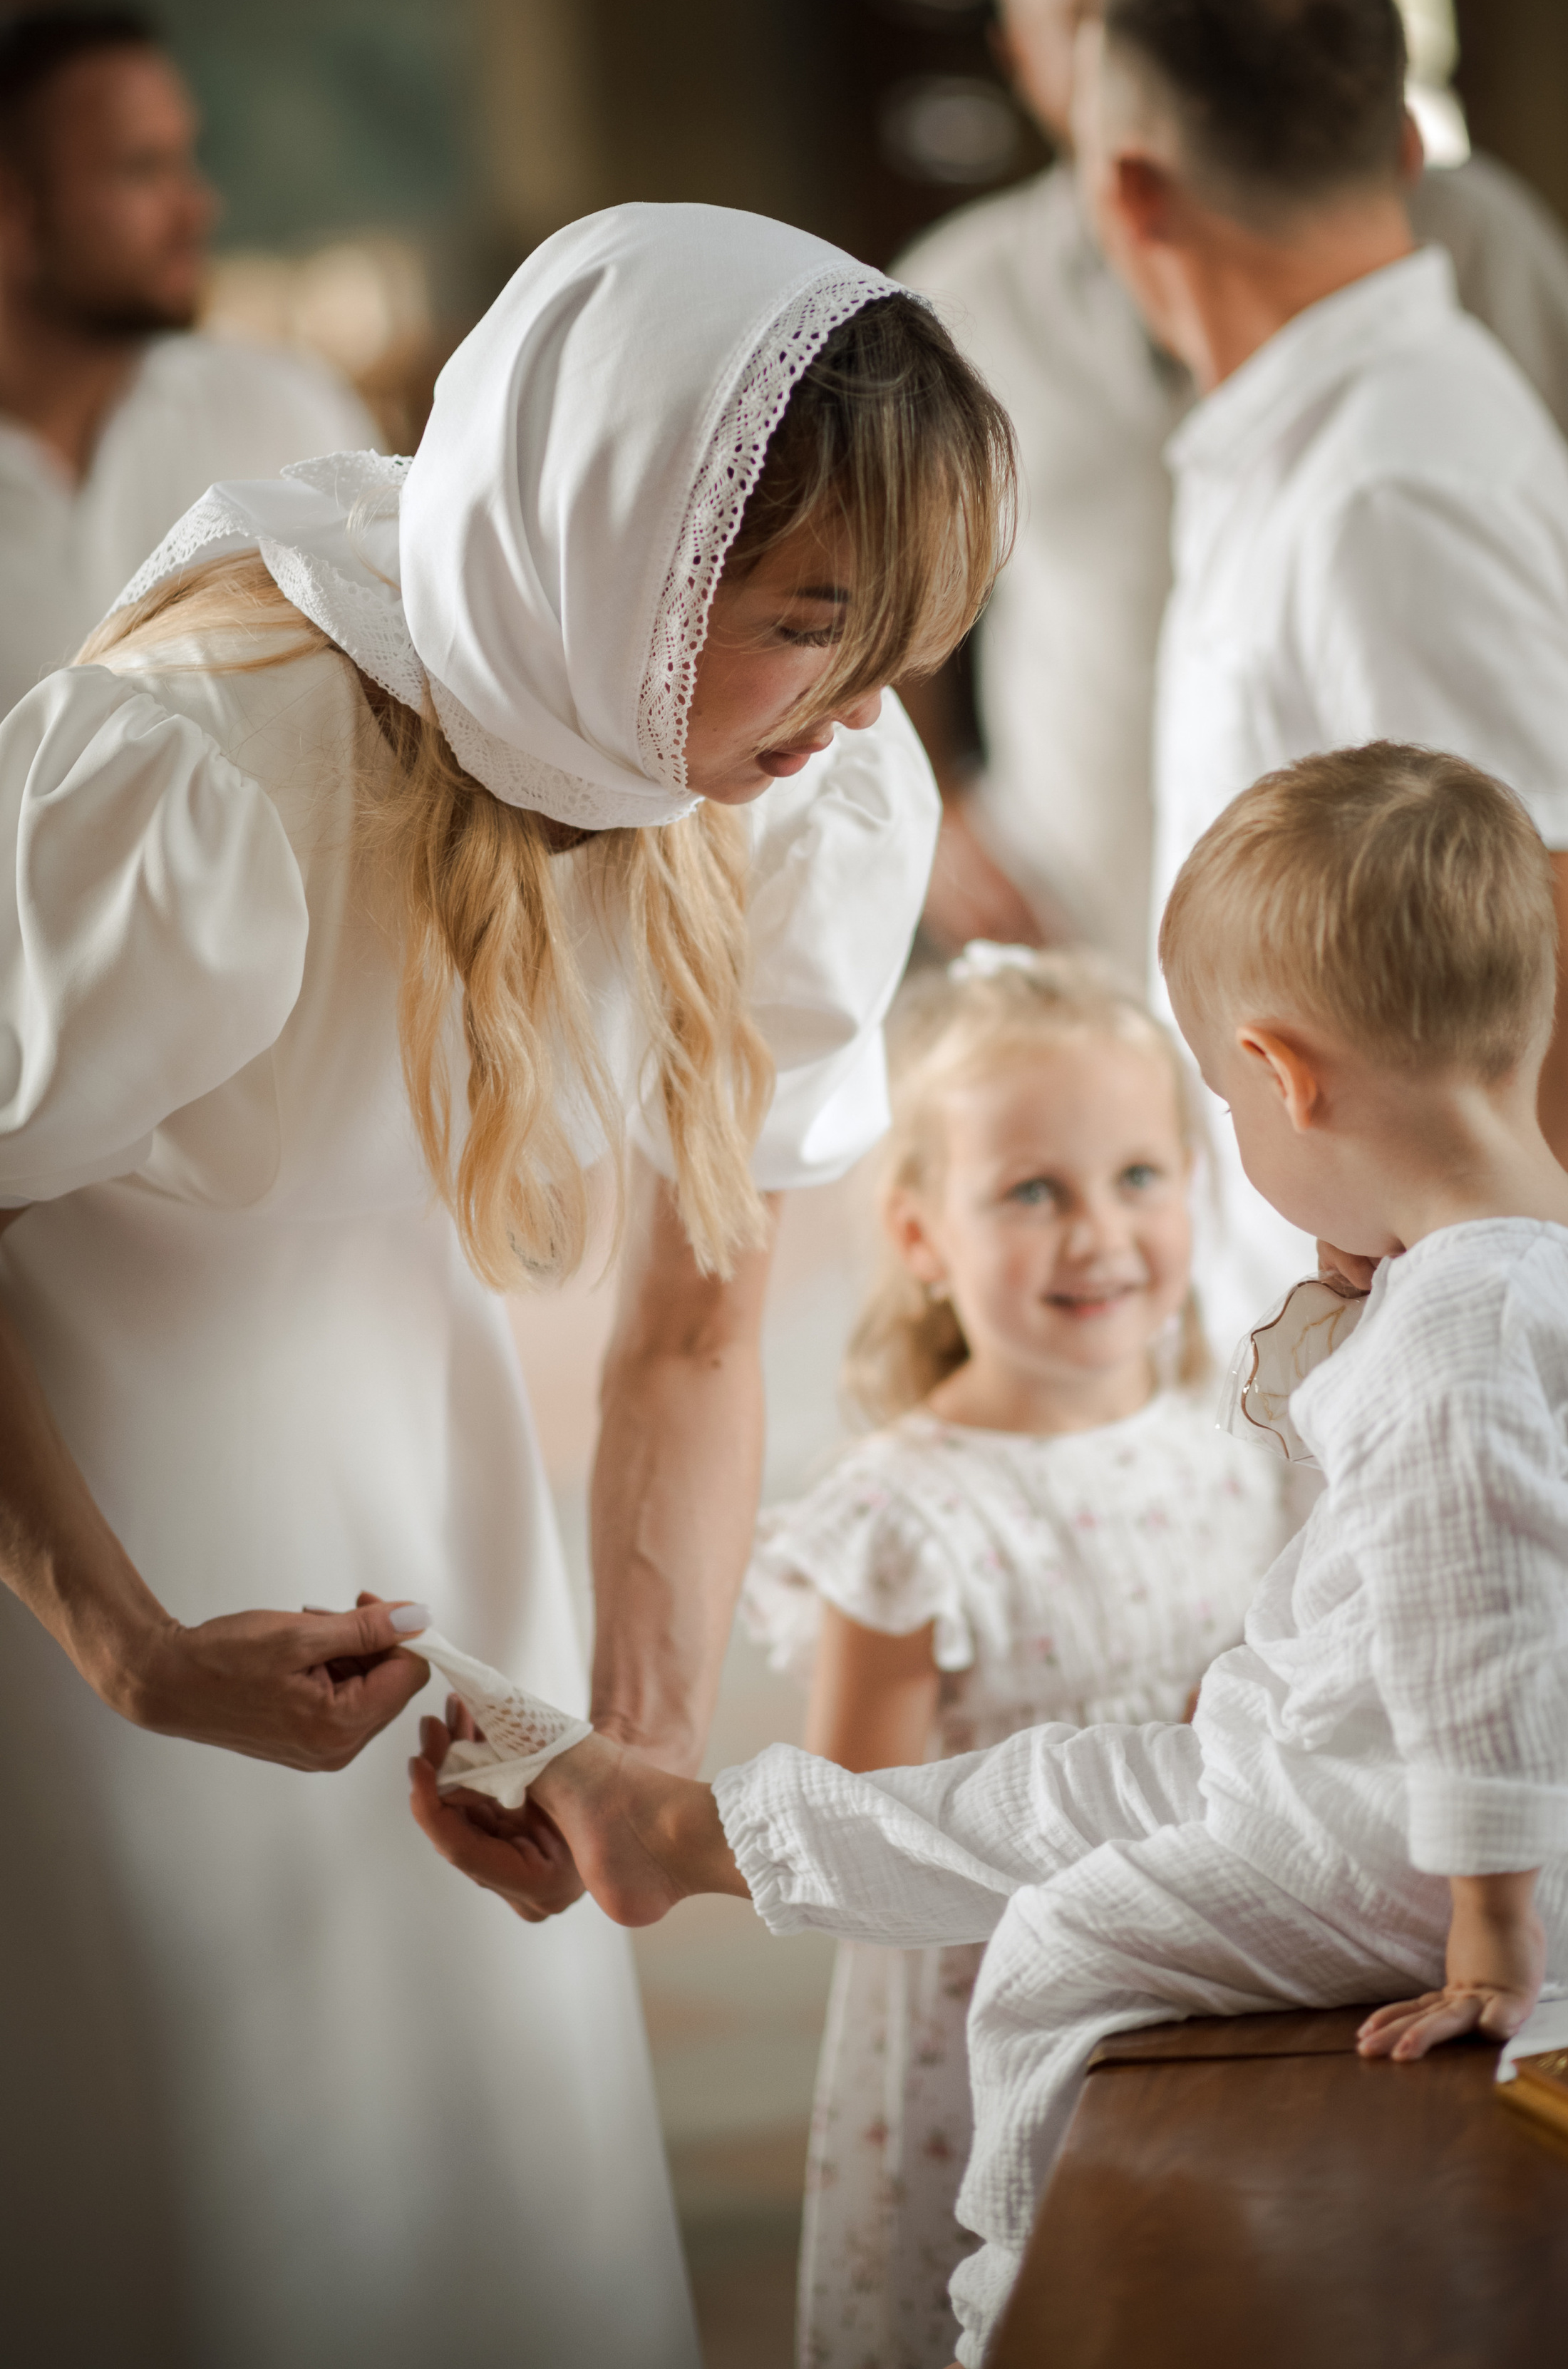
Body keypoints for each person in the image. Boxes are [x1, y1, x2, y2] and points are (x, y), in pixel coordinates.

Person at [0, 203, 1012, 2367]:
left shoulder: (788, 795)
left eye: (893, 639)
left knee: (484, 2155)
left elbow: (695, 1313)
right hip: (73, 1525)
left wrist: (629, 1746)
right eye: (804, 621)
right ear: (618, 553)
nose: (847, 712)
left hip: (422, 1488)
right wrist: (132, 1648)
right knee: (206, 2175)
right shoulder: (206, 770)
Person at [423, 744, 1568, 2369]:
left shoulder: (1450, 1329)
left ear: (1280, 1075)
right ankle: (687, 1828)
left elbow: (1484, 1624)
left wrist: (1489, 1921)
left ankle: (1007, 2289)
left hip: (1454, 1839)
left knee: (1062, 1920)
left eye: (1204, 1106)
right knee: (1060, 1781)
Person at [1066, 0, 1568, 1409]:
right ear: (1404, 150)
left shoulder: (1391, 489)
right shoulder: (1315, 444)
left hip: (1485, 1399)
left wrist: (1474, 1408)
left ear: (1126, 190)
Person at [896, 0, 1568, 980]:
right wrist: (933, 820)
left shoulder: (1394, 457)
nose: (1139, 36)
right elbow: (875, 594)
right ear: (1019, 56)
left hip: (1414, 991)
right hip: (1095, 940)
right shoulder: (952, 299)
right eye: (1091, 10)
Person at [738, 945, 1286, 2369]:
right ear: (920, 1235)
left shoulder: (1232, 1443)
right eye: (1030, 1191)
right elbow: (848, 1823)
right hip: (987, 2011)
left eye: (1135, 1177)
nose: (1095, 1235)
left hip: (1205, 1960)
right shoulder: (904, 1518)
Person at [0, 1, 374, 714]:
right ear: (13, 203)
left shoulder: (289, 420)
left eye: (185, 159)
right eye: (143, 169)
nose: (197, 207)